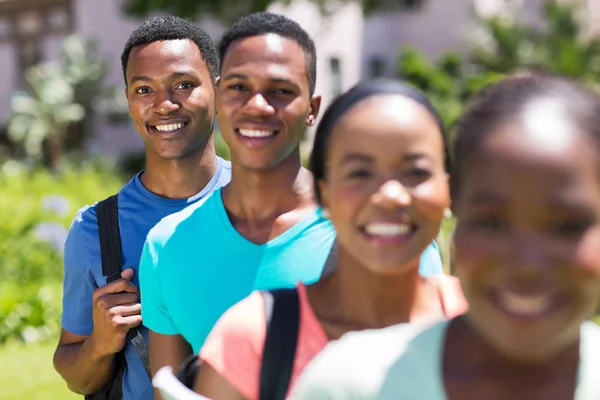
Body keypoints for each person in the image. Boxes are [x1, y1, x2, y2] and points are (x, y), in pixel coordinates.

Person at [139, 12, 446, 388]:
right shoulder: (167, 245)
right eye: (238, 87)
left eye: (280, 91)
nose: (258, 106)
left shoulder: (381, 230)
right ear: (217, 97)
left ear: (312, 108)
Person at [291, 74, 600, 400]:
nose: (527, 264)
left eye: (566, 227)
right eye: (491, 224)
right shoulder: (350, 385)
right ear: (452, 212)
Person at [191, 80, 468, 400]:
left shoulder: (488, 324)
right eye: (360, 174)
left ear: (448, 188)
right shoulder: (253, 339)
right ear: (323, 194)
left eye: (416, 172)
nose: (391, 196)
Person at [53, 16, 231, 400]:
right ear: (129, 100)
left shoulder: (261, 201)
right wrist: (101, 343)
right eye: (144, 89)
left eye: (183, 85)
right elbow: (76, 378)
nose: (164, 105)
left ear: (217, 90)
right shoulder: (95, 230)